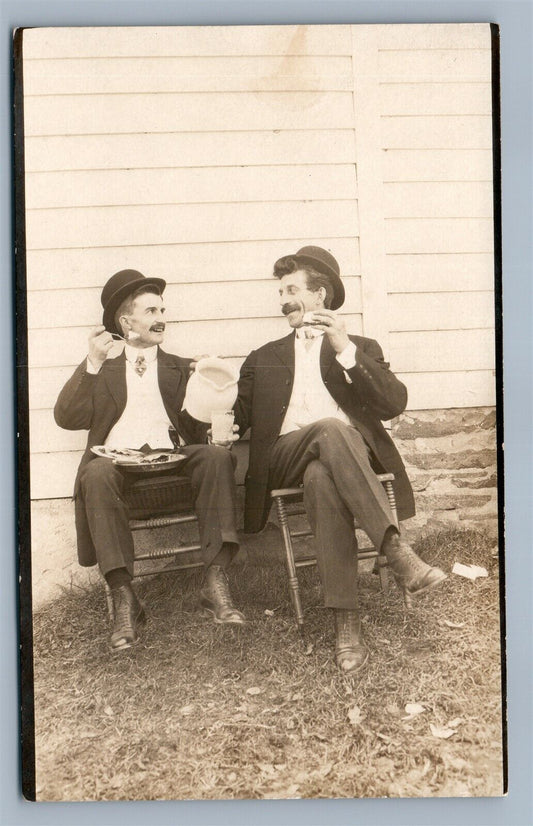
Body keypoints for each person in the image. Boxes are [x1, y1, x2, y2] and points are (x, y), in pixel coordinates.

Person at [233, 246, 447, 675]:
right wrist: (211, 398)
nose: (282, 301)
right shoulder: (263, 357)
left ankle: (346, 622)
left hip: (340, 461)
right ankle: (394, 550)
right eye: (280, 292)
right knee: (330, 429)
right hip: (283, 456)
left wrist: (345, 348)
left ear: (321, 294)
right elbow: (233, 416)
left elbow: (393, 404)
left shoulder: (360, 346)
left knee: (321, 478)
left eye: (291, 289)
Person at [54, 269, 245, 652]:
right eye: (151, 310)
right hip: (120, 479)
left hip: (174, 470)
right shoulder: (102, 370)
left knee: (215, 457)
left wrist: (214, 386)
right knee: (94, 471)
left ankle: (215, 583)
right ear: (127, 322)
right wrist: (90, 364)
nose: (162, 317)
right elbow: (67, 418)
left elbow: (209, 418)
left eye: (163, 309)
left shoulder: (181, 366)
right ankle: (125, 599)